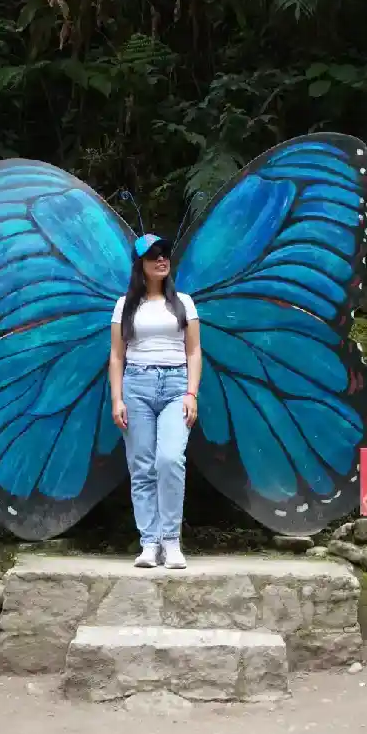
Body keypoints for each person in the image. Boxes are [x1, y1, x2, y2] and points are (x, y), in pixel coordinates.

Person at [109, 233, 202, 569]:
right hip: (136, 385)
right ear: (141, 265)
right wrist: (117, 398)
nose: (161, 261)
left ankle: (171, 541)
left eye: (165, 255)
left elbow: (193, 350)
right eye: (153, 257)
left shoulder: (184, 303)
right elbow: (117, 356)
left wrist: (191, 393)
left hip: (176, 384)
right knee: (142, 467)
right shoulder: (125, 305)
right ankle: (149, 543)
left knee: (169, 460)